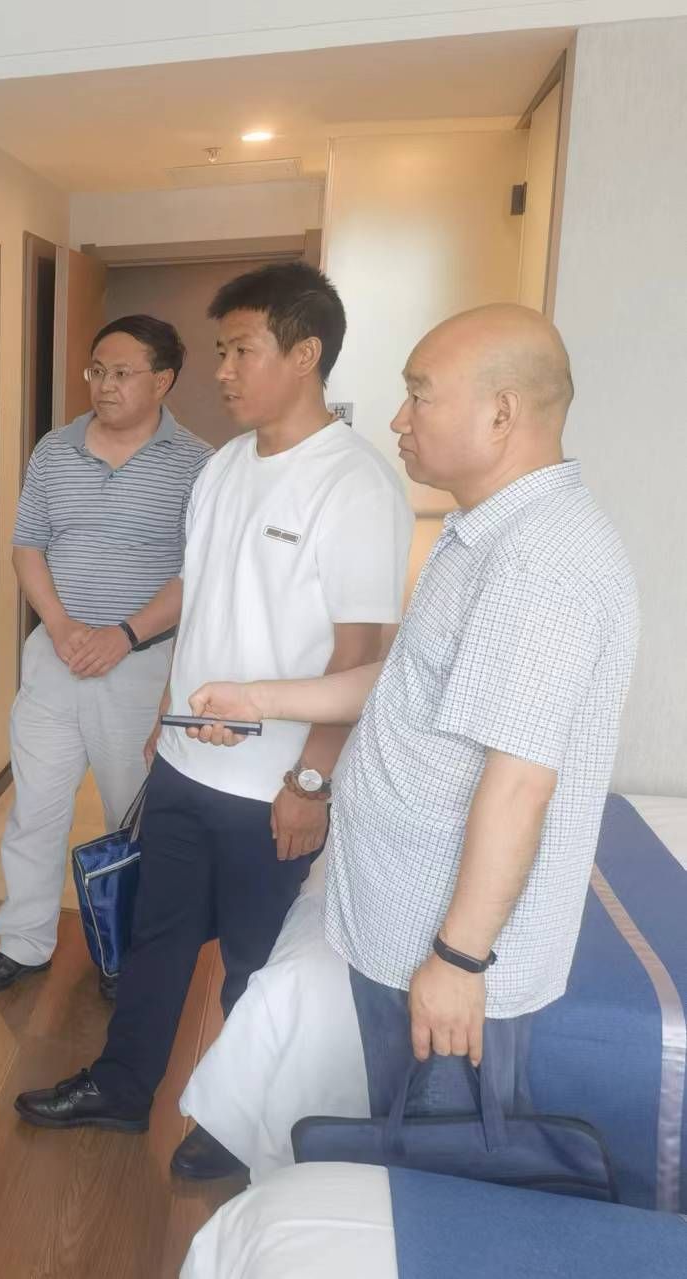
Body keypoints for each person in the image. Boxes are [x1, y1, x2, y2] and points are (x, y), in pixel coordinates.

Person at [184, 304, 637, 1124]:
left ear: (501, 413)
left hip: (449, 957)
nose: (398, 418)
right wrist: (258, 698)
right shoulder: (481, 537)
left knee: (433, 1154)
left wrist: (459, 959)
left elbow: (520, 783)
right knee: (393, 1135)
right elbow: (402, 682)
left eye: (419, 394)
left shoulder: (539, 563)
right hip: (398, 921)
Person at [14, 262, 412, 1183]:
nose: (223, 370)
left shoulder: (354, 484)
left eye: (241, 350)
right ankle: (123, 1087)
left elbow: (362, 656)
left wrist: (311, 781)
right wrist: (165, 715)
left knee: (251, 963)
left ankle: (239, 1123)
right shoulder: (226, 467)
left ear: (304, 354)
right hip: (186, 765)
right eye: (221, 350)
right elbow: (204, 603)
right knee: (156, 938)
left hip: (274, 785)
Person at [0, 316, 211, 997]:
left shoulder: (199, 464)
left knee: (133, 816)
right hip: (56, 656)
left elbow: (198, 574)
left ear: (162, 380)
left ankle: (125, 950)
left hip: (141, 666)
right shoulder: (54, 449)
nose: (104, 384)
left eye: (122, 373)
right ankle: (23, 943)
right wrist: (61, 624)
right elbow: (27, 545)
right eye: (96, 370)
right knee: (35, 808)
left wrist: (123, 634)